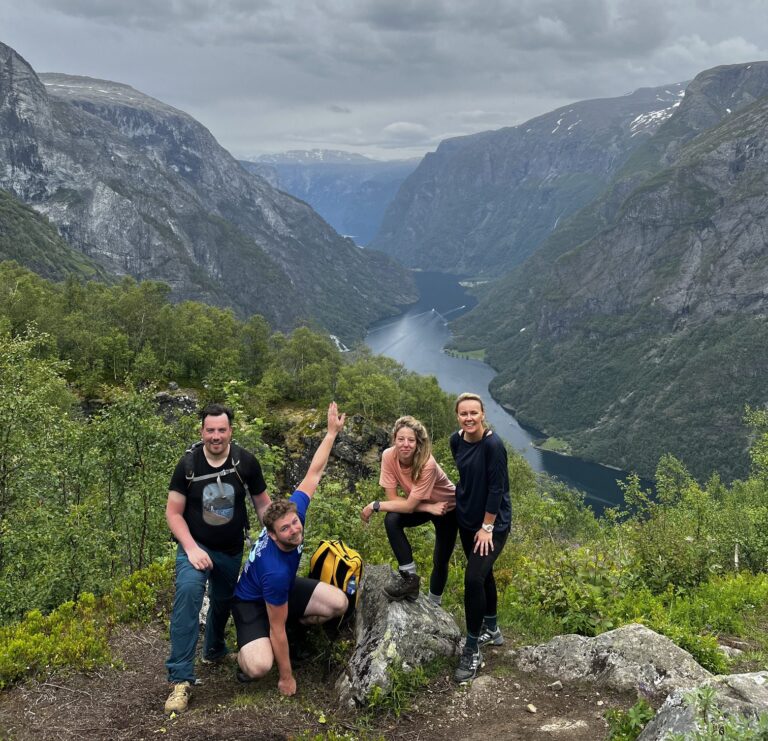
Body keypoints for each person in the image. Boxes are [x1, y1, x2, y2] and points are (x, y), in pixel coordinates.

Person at [232, 401, 348, 697]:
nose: (295, 530)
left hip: (280, 591)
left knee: (338, 603)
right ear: (271, 535)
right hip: (250, 601)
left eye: (295, 523)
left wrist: (331, 433)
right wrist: (286, 678)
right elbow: (276, 626)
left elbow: (314, 473)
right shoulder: (274, 571)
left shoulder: (294, 513)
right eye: (285, 529)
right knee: (259, 667)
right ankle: (244, 654)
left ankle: (292, 632)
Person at [164, 403, 271, 715]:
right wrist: (191, 548)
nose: (215, 436)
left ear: (230, 431)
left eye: (221, 430)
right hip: (195, 545)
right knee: (188, 595)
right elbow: (173, 513)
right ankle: (180, 679)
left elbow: (263, 505)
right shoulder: (188, 465)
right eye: (210, 430)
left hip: (230, 549)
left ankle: (213, 650)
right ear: (202, 432)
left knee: (224, 601)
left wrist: (276, 536)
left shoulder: (245, 462)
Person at [361, 415, 457, 604]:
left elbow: (409, 506)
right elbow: (394, 499)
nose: (405, 444)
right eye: (401, 439)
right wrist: (428, 507)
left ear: (418, 443)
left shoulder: (427, 463)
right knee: (392, 519)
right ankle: (410, 579)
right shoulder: (388, 456)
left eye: (411, 440)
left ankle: (434, 603)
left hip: (447, 508)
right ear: (394, 439)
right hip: (426, 505)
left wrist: (375, 505)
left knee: (440, 559)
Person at [450, 392, 511, 683]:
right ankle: (493, 629)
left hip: (492, 525)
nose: (469, 418)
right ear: (457, 416)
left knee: (473, 578)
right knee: (483, 575)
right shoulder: (456, 440)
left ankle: (472, 647)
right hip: (466, 519)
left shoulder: (493, 445)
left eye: (474, 412)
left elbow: (497, 488)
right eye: (464, 413)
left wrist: (487, 527)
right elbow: (466, 477)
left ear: (483, 414)